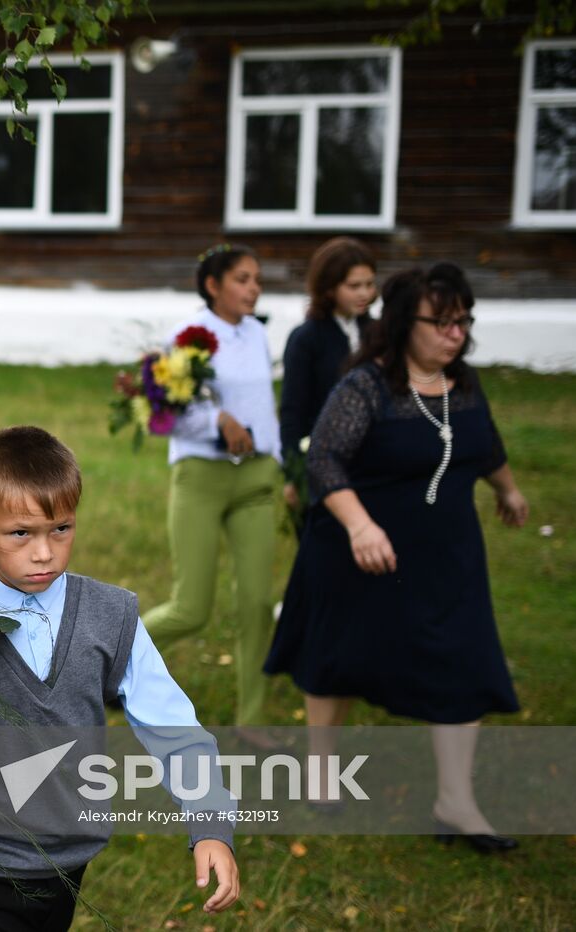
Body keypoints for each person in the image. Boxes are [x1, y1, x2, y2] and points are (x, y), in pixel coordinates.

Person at [0, 426, 238, 930]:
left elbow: (173, 727)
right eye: (20, 533)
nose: (44, 552)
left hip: (69, 857)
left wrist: (212, 824)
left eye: (61, 529)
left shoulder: (110, 616)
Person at [265, 263, 528, 850]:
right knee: (338, 656)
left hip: (446, 553)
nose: (456, 333)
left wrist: (507, 489)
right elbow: (324, 461)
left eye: (463, 320)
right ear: (407, 323)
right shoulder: (366, 386)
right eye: (442, 321)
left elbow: (486, 442)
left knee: (463, 658)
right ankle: (320, 773)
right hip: (358, 549)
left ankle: (455, 804)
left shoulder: (464, 385)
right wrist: (360, 528)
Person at [141, 245, 282, 743]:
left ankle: (253, 719)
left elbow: (265, 406)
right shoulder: (185, 338)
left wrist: (278, 465)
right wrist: (216, 421)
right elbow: (164, 415)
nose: (254, 288)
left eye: (257, 279)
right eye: (243, 279)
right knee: (192, 608)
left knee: (257, 604)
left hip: (257, 480)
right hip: (201, 477)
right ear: (213, 285)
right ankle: (105, 664)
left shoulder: (259, 333)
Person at [279, 237, 377, 529]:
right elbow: (293, 409)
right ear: (329, 287)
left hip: (372, 460)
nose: (364, 293)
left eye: (370, 284)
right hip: (324, 460)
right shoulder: (307, 338)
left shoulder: (377, 333)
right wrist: (293, 473)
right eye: (354, 286)